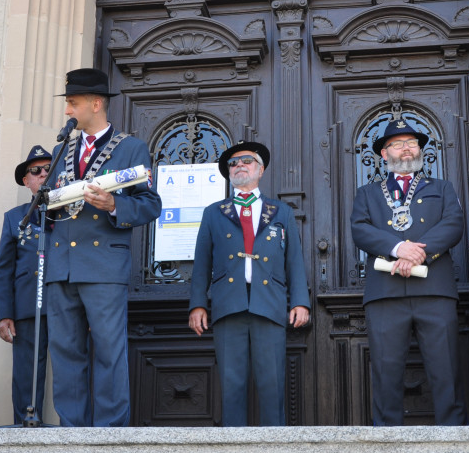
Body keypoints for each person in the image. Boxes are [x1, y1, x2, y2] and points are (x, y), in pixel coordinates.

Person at [42, 68, 162, 427]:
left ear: (96, 104)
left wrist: (114, 206)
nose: (67, 111)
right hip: (62, 263)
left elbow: (151, 205)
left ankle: (109, 433)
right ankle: (71, 431)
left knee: (109, 350)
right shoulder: (62, 148)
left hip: (104, 266)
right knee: (65, 351)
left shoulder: (130, 147)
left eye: (73, 103)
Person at [350, 119, 467, 426]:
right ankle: (387, 439)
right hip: (385, 294)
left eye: (411, 143)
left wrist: (419, 254)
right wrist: (397, 248)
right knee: (386, 371)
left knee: (445, 369)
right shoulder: (367, 193)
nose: (406, 149)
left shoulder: (441, 188)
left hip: (435, 290)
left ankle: (452, 437)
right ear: (384, 154)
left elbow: (453, 224)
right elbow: (360, 230)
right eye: (398, 144)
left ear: (420, 151)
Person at [188, 141, 310, 426]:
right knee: (231, 382)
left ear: (261, 169)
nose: (239, 165)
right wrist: (197, 305)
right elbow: (202, 262)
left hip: (269, 303)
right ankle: (233, 451)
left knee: (272, 382)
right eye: (233, 163)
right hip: (227, 303)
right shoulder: (213, 212)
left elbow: (294, 260)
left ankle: (274, 446)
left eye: (247, 160)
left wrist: (300, 302)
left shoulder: (282, 211)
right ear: (229, 173)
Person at [0, 145, 53, 424]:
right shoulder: (14, 217)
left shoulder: (73, 212)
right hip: (28, 305)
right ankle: (26, 424)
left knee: (73, 368)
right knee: (27, 372)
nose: (43, 175)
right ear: (26, 180)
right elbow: (4, 269)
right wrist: (5, 314)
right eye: (35, 171)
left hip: (66, 303)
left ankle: (78, 430)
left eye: (48, 169)